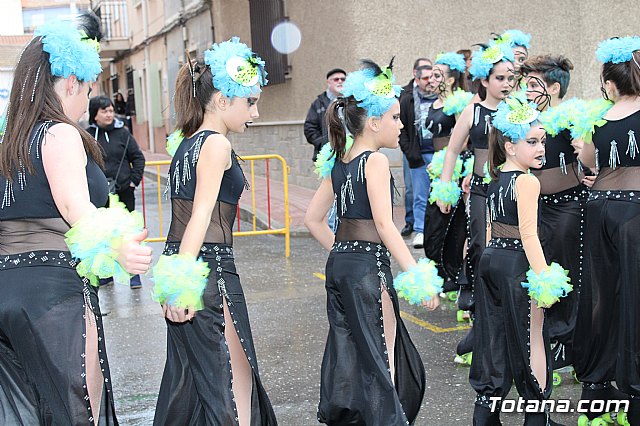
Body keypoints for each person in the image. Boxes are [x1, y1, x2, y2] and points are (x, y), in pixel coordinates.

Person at [0, 14, 152, 424]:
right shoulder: (59, 133)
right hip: (54, 294)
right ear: (70, 83)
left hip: (6, 292)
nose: (87, 100)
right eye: (87, 89)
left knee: (24, 415)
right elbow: (74, 206)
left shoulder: (8, 142)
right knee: (79, 410)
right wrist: (118, 246)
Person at [305, 59, 441, 425]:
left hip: (341, 266)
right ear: (375, 122)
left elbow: (313, 220)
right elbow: (385, 225)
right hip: (367, 269)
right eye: (396, 118)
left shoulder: (339, 160)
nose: (402, 125)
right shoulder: (376, 162)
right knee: (384, 356)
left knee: (352, 354)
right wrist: (419, 278)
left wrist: (343, 252)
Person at [151, 37, 277, 425]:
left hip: (191, 266)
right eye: (250, 102)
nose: (255, 112)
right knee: (223, 380)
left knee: (206, 379)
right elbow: (200, 216)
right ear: (223, 100)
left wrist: (178, 280)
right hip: (208, 270)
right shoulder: (216, 144)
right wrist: (182, 285)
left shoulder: (186, 144)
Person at [471, 92, 570, 425]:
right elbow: (529, 234)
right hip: (517, 264)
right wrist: (544, 280)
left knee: (494, 337)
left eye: (542, 141)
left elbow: (489, 228)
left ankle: (485, 413)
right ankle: (536, 415)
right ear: (511, 146)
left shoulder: (496, 176)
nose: (541, 148)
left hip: (492, 260)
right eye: (532, 141)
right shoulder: (527, 181)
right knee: (533, 339)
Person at [572, 36, 640, 425]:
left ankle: (595, 393)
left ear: (610, 82)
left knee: (600, 297)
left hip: (598, 208)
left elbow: (587, 159)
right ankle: (633, 394)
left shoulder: (599, 114)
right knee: (634, 298)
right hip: (634, 212)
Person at [434, 41, 515, 361]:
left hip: (513, 191)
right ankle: (482, 325)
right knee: (483, 252)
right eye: (500, 78)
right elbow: (453, 150)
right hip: (482, 190)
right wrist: (444, 188)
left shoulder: (517, 109)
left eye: (511, 78)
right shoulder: (473, 109)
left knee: (514, 257)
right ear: (484, 80)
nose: (507, 84)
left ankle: (513, 325)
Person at [520, 55, 586, 382]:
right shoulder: (525, 118)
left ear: (554, 88)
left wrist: (591, 170)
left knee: (565, 271)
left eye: (534, 85)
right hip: (536, 208)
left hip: (568, 207)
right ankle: (549, 340)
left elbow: (588, 151)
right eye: (526, 84)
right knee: (540, 272)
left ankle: (567, 343)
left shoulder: (568, 117)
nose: (527, 90)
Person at [422, 52, 472, 288]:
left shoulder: (459, 103)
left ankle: (451, 274)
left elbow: (462, 140)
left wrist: (444, 161)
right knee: (434, 224)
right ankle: (441, 272)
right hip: (437, 166)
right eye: (431, 74)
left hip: (453, 167)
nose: (431, 78)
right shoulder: (434, 102)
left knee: (448, 221)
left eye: (437, 75)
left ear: (451, 80)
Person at [88, 95, 146, 288]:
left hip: (124, 192)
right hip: (101, 196)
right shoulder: (87, 136)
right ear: (94, 114)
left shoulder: (123, 133)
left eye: (111, 110)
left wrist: (133, 182)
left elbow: (138, 158)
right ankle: (106, 273)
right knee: (105, 234)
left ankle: (134, 274)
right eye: (104, 111)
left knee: (129, 233)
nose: (109, 114)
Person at [399, 64, 439, 248]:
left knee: (442, 194)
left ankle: (438, 232)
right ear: (416, 79)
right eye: (425, 78)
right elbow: (402, 129)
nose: (430, 81)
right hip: (418, 155)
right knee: (420, 196)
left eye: (432, 77)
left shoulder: (443, 99)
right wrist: (410, 152)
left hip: (440, 155)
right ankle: (421, 230)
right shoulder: (408, 99)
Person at [304, 68, 346, 162]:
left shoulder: (352, 100)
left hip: (350, 153)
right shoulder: (318, 103)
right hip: (328, 156)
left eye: (343, 79)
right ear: (328, 82)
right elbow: (309, 128)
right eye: (336, 79)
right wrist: (323, 143)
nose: (340, 81)